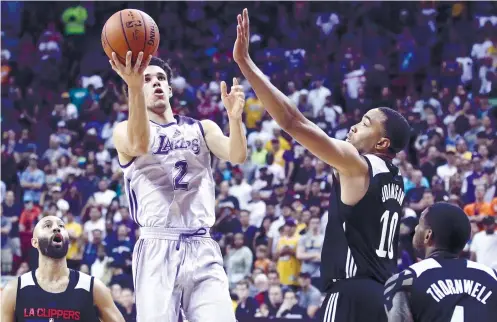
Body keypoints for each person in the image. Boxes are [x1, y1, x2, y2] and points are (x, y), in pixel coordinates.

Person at [233, 9, 411, 322]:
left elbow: (292, 120)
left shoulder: (359, 165)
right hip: (381, 299)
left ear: (382, 144)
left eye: (365, 123)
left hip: (349, 294)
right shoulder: (395, 182)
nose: (355, 127)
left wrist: (246, 64)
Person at [109, 50, 247, 322]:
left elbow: (237, 155)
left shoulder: (201, 128)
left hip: (201, 243)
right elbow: (138, 144)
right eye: (147, 79)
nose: (155, 83)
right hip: (157, 244)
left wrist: (234, 118)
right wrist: (133, 87)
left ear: (170, 89)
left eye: (160, 78)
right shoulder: (123, 131)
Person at [384, 202, 497, 321]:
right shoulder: (492, 276)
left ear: (428, 235)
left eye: (420, 223)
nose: (416, 228)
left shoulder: (407, 280)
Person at [0, 216, 124, 322]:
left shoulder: (93, 287)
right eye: (47, 226)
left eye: (61, 226)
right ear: (34, 242)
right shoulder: (14, 289)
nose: (56, 228)